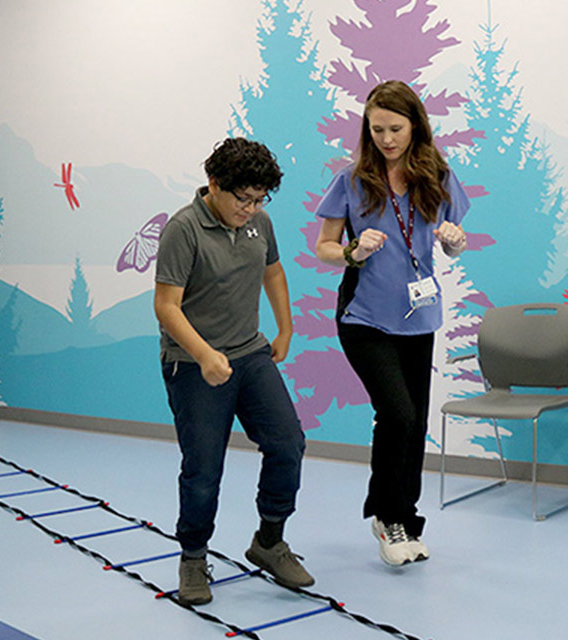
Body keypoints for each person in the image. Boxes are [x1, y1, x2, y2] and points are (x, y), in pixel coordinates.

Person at [314, 80, 470, 566]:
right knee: (397, 415)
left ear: (415, 126)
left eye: (395, 128)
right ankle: (388, 517)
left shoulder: (437, 176)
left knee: (415, 422)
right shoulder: (352, 179)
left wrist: (453, 240)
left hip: (418, 316)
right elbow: (323, 247)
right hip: (363, 316)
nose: (386, 138)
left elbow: (451, 241)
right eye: (376, 128)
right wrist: (351, 252)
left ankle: (406, 516)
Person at [154, 137, 314, 605]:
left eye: (259, 198)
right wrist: (204, 355)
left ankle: (269, 541)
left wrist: (284, 329)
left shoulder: (259, 222)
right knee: (204, 468)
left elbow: (274, 272)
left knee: (288, 444)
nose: (250, 208)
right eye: (242, 198)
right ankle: (193, 556)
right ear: (213, 185)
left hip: (250, 354)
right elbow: (166, 306)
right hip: (193, 363)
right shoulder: (183, 229)